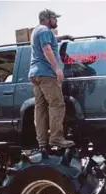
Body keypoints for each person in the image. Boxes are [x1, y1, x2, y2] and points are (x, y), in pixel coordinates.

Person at [28, 9, 75, 149]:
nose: (57, 21)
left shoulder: (37, 31)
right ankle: (56, 139)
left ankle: (42, 142)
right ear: (48, 19)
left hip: (35, 74)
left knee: (40, 108)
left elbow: (51, 41)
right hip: (46, 74)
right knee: (57, 104)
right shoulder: (44, 31)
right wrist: (57, 69)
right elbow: (47, 49)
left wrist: (64, 37)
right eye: (55, 18)